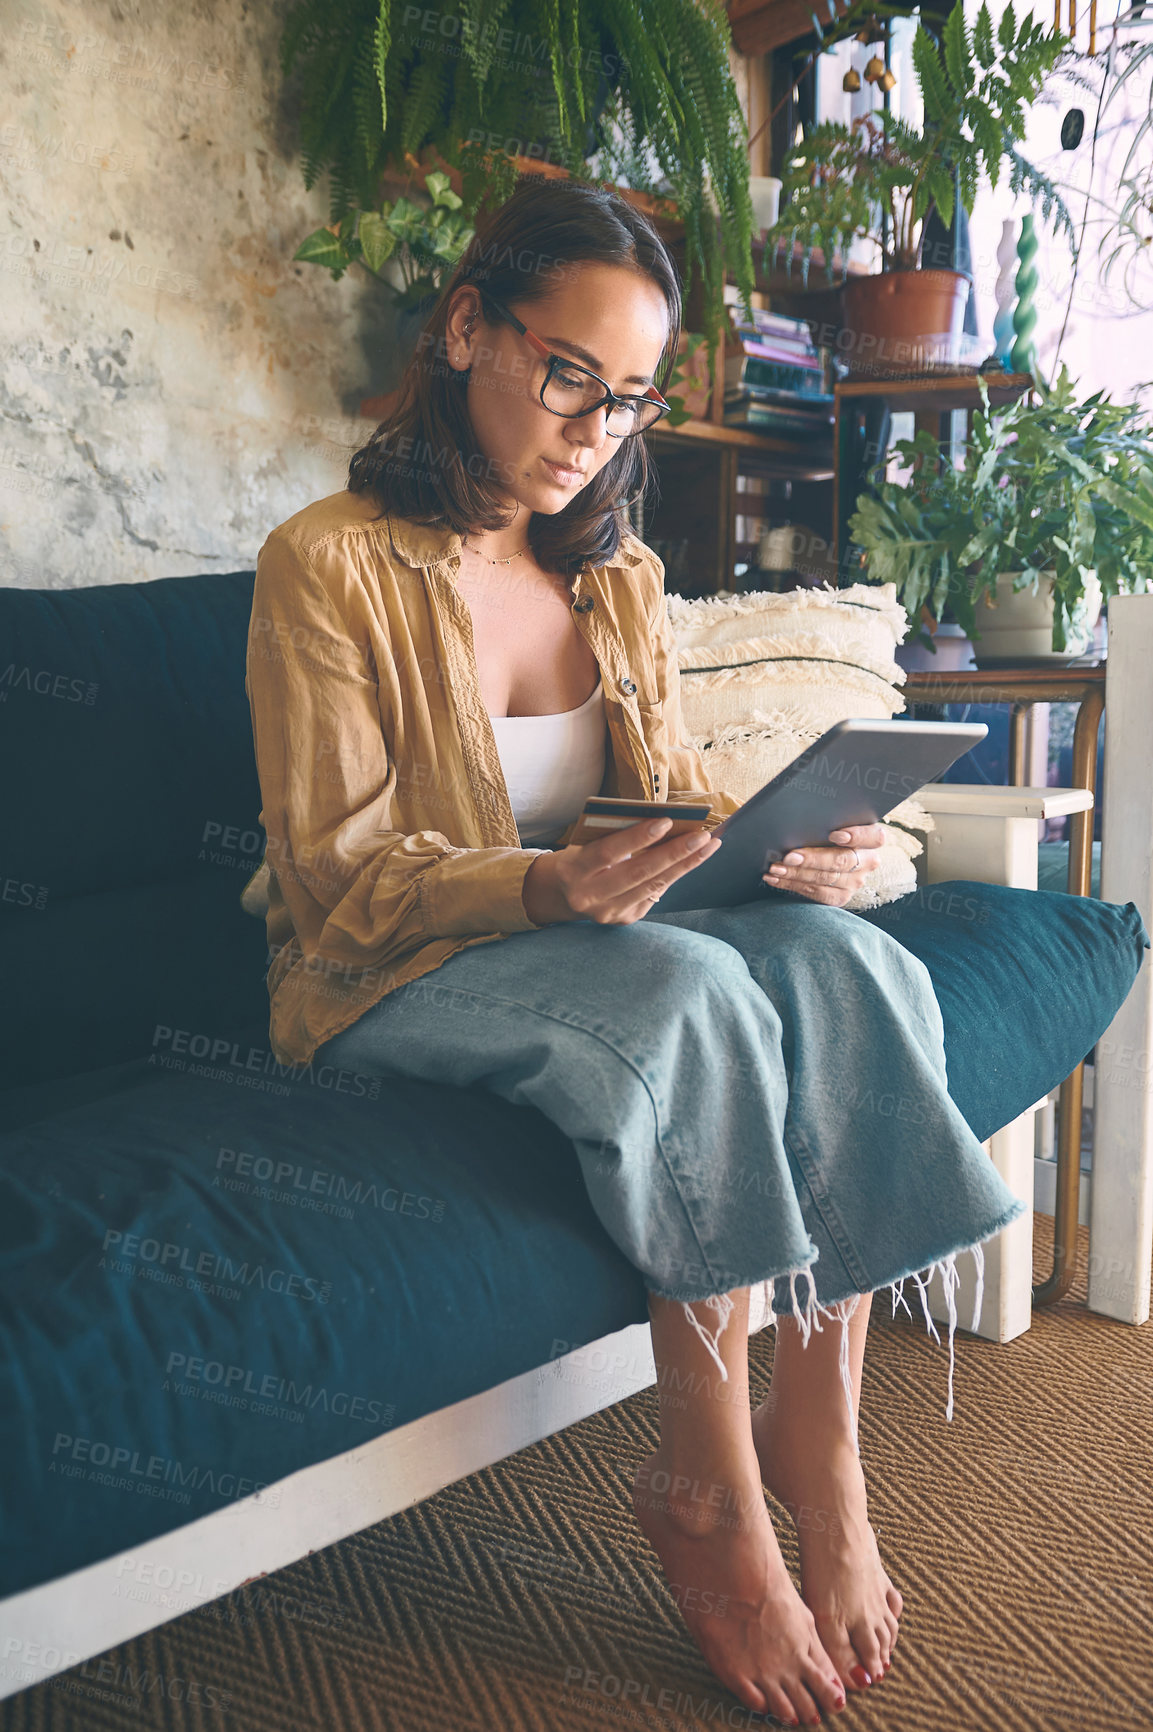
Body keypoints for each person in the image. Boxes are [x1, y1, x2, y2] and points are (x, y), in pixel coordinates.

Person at [245, 177, 1025, 1726]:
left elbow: (659, 807)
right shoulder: (326, 564)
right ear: (466, 327)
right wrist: (547, 892)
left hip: (597, 934)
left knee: (850, 960)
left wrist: (804, 846)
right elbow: (336, 877)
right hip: (386, 972)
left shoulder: (618, 575)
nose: (594, 428)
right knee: (693, 984)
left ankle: (826, 1436)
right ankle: (709, 1491)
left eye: (630, 399)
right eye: (564, 376)